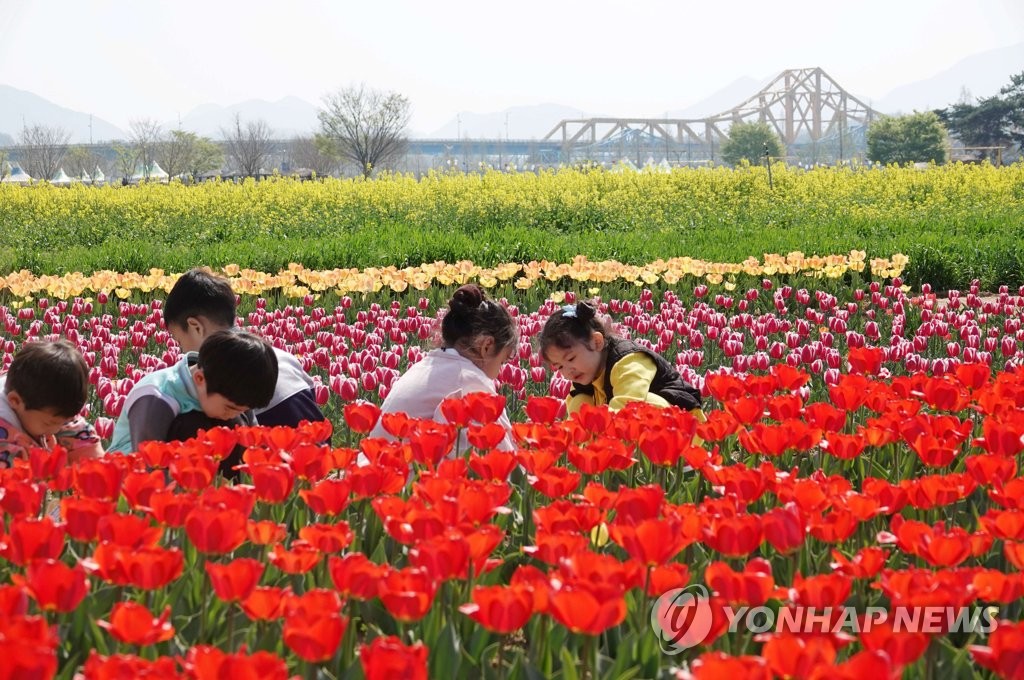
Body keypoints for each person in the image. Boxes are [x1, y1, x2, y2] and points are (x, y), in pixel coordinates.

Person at [162, 268, 325, 429]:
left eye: (179, 341)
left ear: (195, 327)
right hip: (319, 442)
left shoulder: (225, 372)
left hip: (276, 445)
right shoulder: (280, 356)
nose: (183, 352)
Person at [369, 284, 518, 452]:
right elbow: (507, 455)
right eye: (502, 362)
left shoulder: (422, 367)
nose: (498, 374)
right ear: (487, 346)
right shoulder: (469, 380)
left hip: (370, 468)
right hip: (402, 474)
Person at [108, 330, 278, 476]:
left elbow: (255, 446)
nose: (233, 414)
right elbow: (149, 465)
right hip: (129, 479)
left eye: (243, 409)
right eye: (229, 408)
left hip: (194, 476)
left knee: (237, 428)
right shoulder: (158, 397)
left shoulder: (230, 393)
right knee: (193, 425)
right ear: (199, 378)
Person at [540, 301, 702, 416]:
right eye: (559, 367)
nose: (567, 371)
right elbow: (577, 407)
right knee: (583, 404)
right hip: (636, 427)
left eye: (570, 359)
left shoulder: (629, 361)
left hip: (683, 423)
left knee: (647, 403)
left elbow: (627, 405)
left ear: (597, 342)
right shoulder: (587, 371)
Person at [0, 340, 105, 469]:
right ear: (15, 401)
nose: (56, 429)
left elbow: (80, 436)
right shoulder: (4, 440)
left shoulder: (49, 405)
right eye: (49, 423)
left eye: (63, 421)